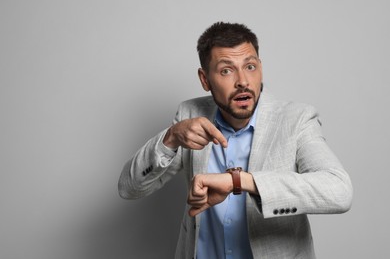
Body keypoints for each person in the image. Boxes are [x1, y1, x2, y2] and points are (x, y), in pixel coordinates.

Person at [118, 22, 353, 259]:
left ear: (260, 67)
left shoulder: (296, 120)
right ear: (205, 79)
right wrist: (170, 138)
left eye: (250, 66)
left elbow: (339, 191)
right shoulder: (190, 115)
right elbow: (130, 188)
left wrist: (238, 182)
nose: (243, 81)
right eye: (226, 70)